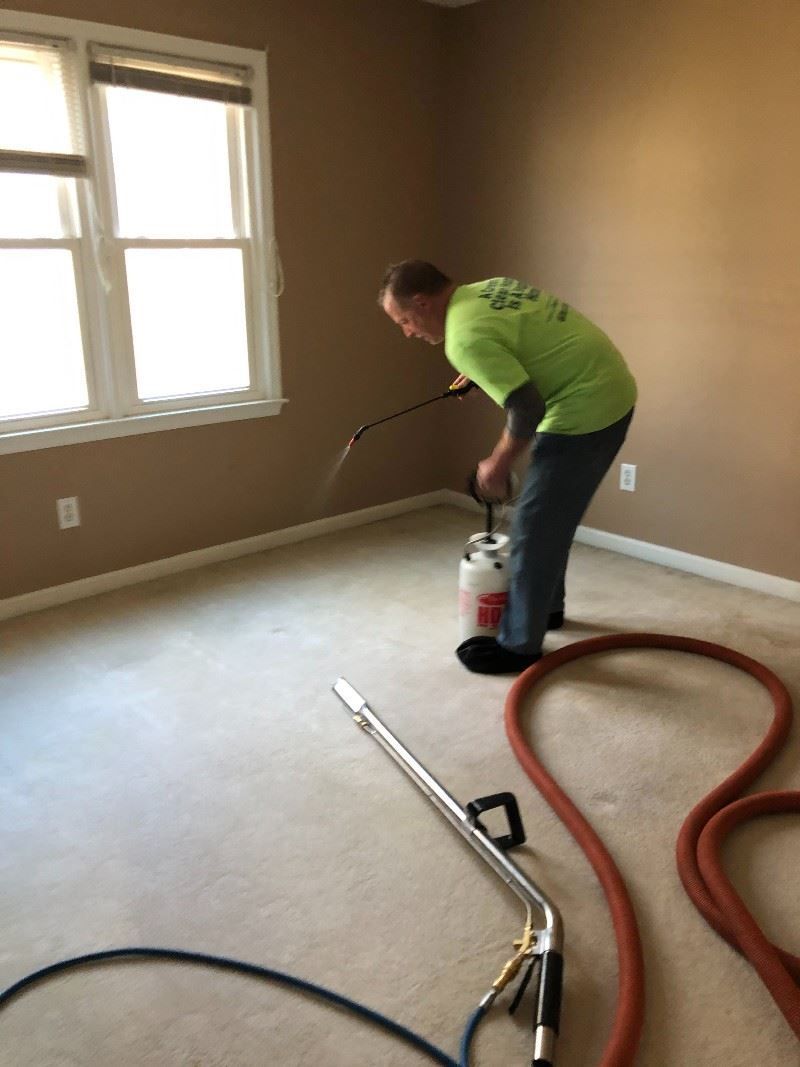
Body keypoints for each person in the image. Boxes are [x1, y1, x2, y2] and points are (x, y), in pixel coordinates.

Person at [379, 260, 637, 674]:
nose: (408, 332)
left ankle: (519, 645)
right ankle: (544, 611)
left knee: (535, 526)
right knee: (553, 518)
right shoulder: (489, 289)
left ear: (424, 303)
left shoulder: (463, 338)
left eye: (405, 320)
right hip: (612, 389)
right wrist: (484, 372)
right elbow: (526, 341)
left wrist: (497, 463)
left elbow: (526, 407)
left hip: (584, 410)